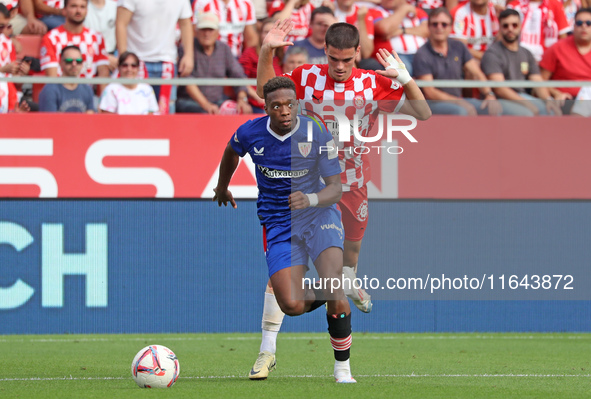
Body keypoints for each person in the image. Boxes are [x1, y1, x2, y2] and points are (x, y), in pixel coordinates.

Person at [250, 19, 430, 380]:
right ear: (326, 53)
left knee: (344, 271)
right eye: (333, 59)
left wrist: (405, 78)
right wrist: (268, 50)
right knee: (284, 271)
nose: (340, 67)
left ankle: (346, 303)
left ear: (357, 54)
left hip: (352, 185)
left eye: (347, 60)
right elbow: (264, 92)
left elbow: (422, 113)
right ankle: (266, 352)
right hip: (306, 186)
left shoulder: (372, 83)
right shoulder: (306, 77)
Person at [214, 76, 356, 383]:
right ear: (265, 108)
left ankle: (342, 369)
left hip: (319, 215)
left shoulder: (315, 131)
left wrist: (312, 198)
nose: (284, 110)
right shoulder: (249, 133)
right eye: (276, 105)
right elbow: (231, 152)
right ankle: (340, 286)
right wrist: (222, 187)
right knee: (290, 304)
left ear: (298, 105)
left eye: (290, 104)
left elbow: (336, 189)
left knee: (331, 284)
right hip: (278, 223)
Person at [413, 7, 502, 115]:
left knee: (492, 108)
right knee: (461, 112)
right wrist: (458, 102)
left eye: (444, 24)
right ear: (429, 27)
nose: (439, 27)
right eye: (435, 24)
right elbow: (430, 92)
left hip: (457, 100)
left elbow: (477, 73)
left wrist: (489, 94)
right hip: (432, 104)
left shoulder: (458, 46)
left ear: (450, 27)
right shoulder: (422, 53)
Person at [116, 0, 194, 114]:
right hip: (136, 63)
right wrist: (124, 59)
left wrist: (189, 55)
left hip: (167, 62)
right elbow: (121, 23)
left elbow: (186, 23)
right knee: (137, 110)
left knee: (166, 112)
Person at [481, 8, 562, 115]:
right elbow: (499, 89)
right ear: (500, 28)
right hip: (499, 99)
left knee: (551, 111)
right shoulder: (492, 53)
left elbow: (537, 81)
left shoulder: (526, 53)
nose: (510, 29)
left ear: (520, 26)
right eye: (505, 26)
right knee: (526, 113)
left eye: (514, 25)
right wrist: (527, 104)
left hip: (521, 96)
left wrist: (548, 99)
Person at [176, 12, 252, 114]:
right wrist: (206, 105)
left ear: (217, 32)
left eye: (210, 29)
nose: (207, 33)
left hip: (217, 101)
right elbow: (188, 81)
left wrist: (242, 99)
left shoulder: (224, 49)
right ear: (196, 31)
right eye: (203, 29)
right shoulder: (187, 48)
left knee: (244, 110)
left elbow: (238, 75)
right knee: (206, 112)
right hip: (189, 101)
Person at [40, 0, 109, 80]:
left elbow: (103, 76)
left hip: (88, 91)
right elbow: (52, 79)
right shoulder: (51, 38)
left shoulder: (97, 38)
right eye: (74, 6)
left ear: (87, 11)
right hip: (61, 91)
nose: (78, 11)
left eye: (82, 7)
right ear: (64, 10)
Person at [540, 7, 591, 114]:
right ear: (573, 25)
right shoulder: (557, 48)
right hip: (565, 100)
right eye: (579, 23)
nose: (584, 27)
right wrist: (555, 93)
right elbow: (540, 81)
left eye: (588, 23)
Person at [239, 17, 283, 114]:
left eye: (273, 32)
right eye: (266, 32)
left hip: (279, 104)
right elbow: (241, 79)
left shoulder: (282, 55)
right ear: (260, 34)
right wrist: (258, 97)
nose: (270, 35)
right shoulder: (250, 53)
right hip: (255, 104)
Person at [373, 0, 429, 76]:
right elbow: (384, 29)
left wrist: (401, 30)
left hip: (420, 55)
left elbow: (428, 30)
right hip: (393, 56)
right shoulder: (375, 11)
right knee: (404, 69)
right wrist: (403, 10)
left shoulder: (416, 11)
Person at [38, 44, 95, 112]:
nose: (74, 64)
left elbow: (91, 116)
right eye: (69, 60)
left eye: (78, 61)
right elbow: (49, 120)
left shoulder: (87, 89)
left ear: (82, 63)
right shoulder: (50, 89)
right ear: (60, 62)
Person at [193, 0, 257, 58]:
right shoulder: (201, 3)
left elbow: (251, 39)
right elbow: (194, 34)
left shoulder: (246, 3)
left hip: (237, 57)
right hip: (210, 57)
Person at [84, 0, 117, 72]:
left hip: (113, 56)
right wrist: (103, 58)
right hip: (88, 57)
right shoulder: (82, 7)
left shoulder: (115, 6)